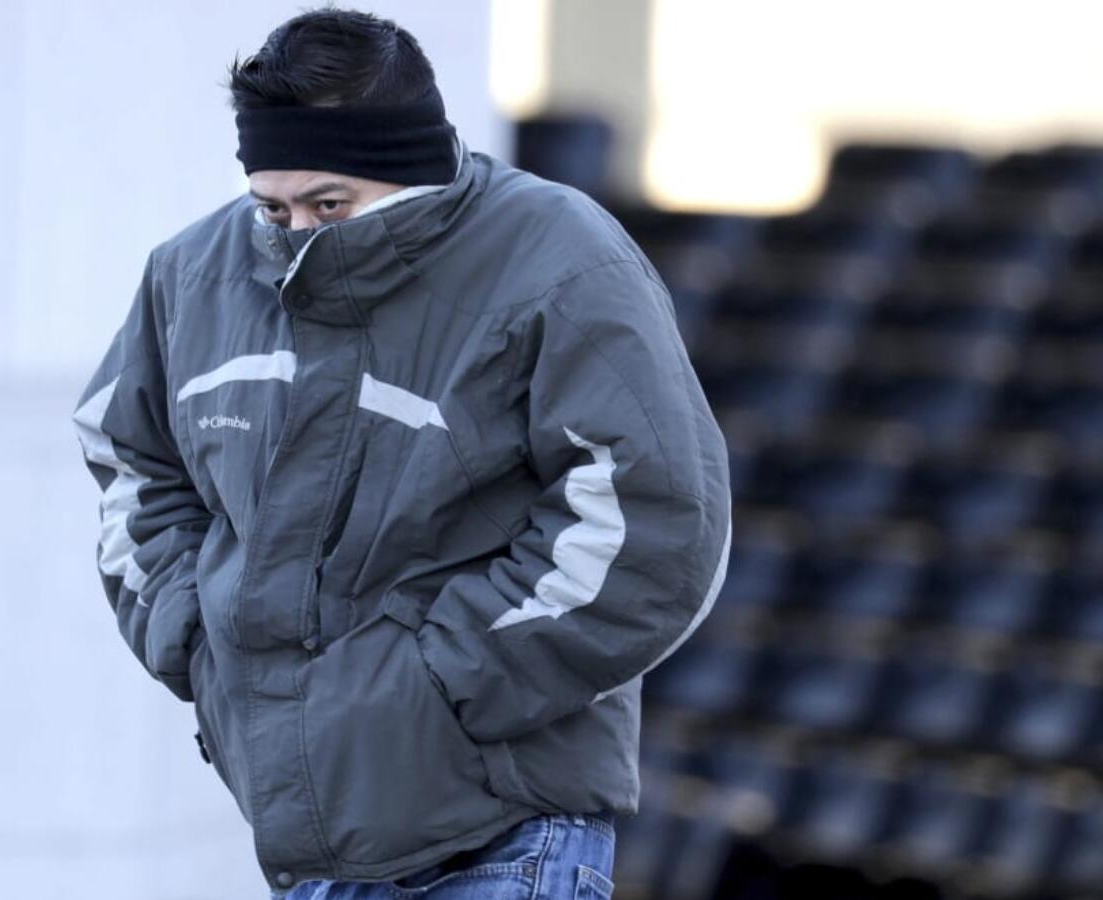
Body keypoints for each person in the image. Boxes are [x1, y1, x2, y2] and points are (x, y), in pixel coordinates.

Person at [70, 7, 732, 898]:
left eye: (328, 204)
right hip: (314, 848)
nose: (294, 232)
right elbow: (131, 462)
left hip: (503, 836)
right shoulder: (193, 275)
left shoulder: (561, 261)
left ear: (409, 169)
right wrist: (195, 637)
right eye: (272, 205)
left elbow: (655, 525)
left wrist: (436, 685)